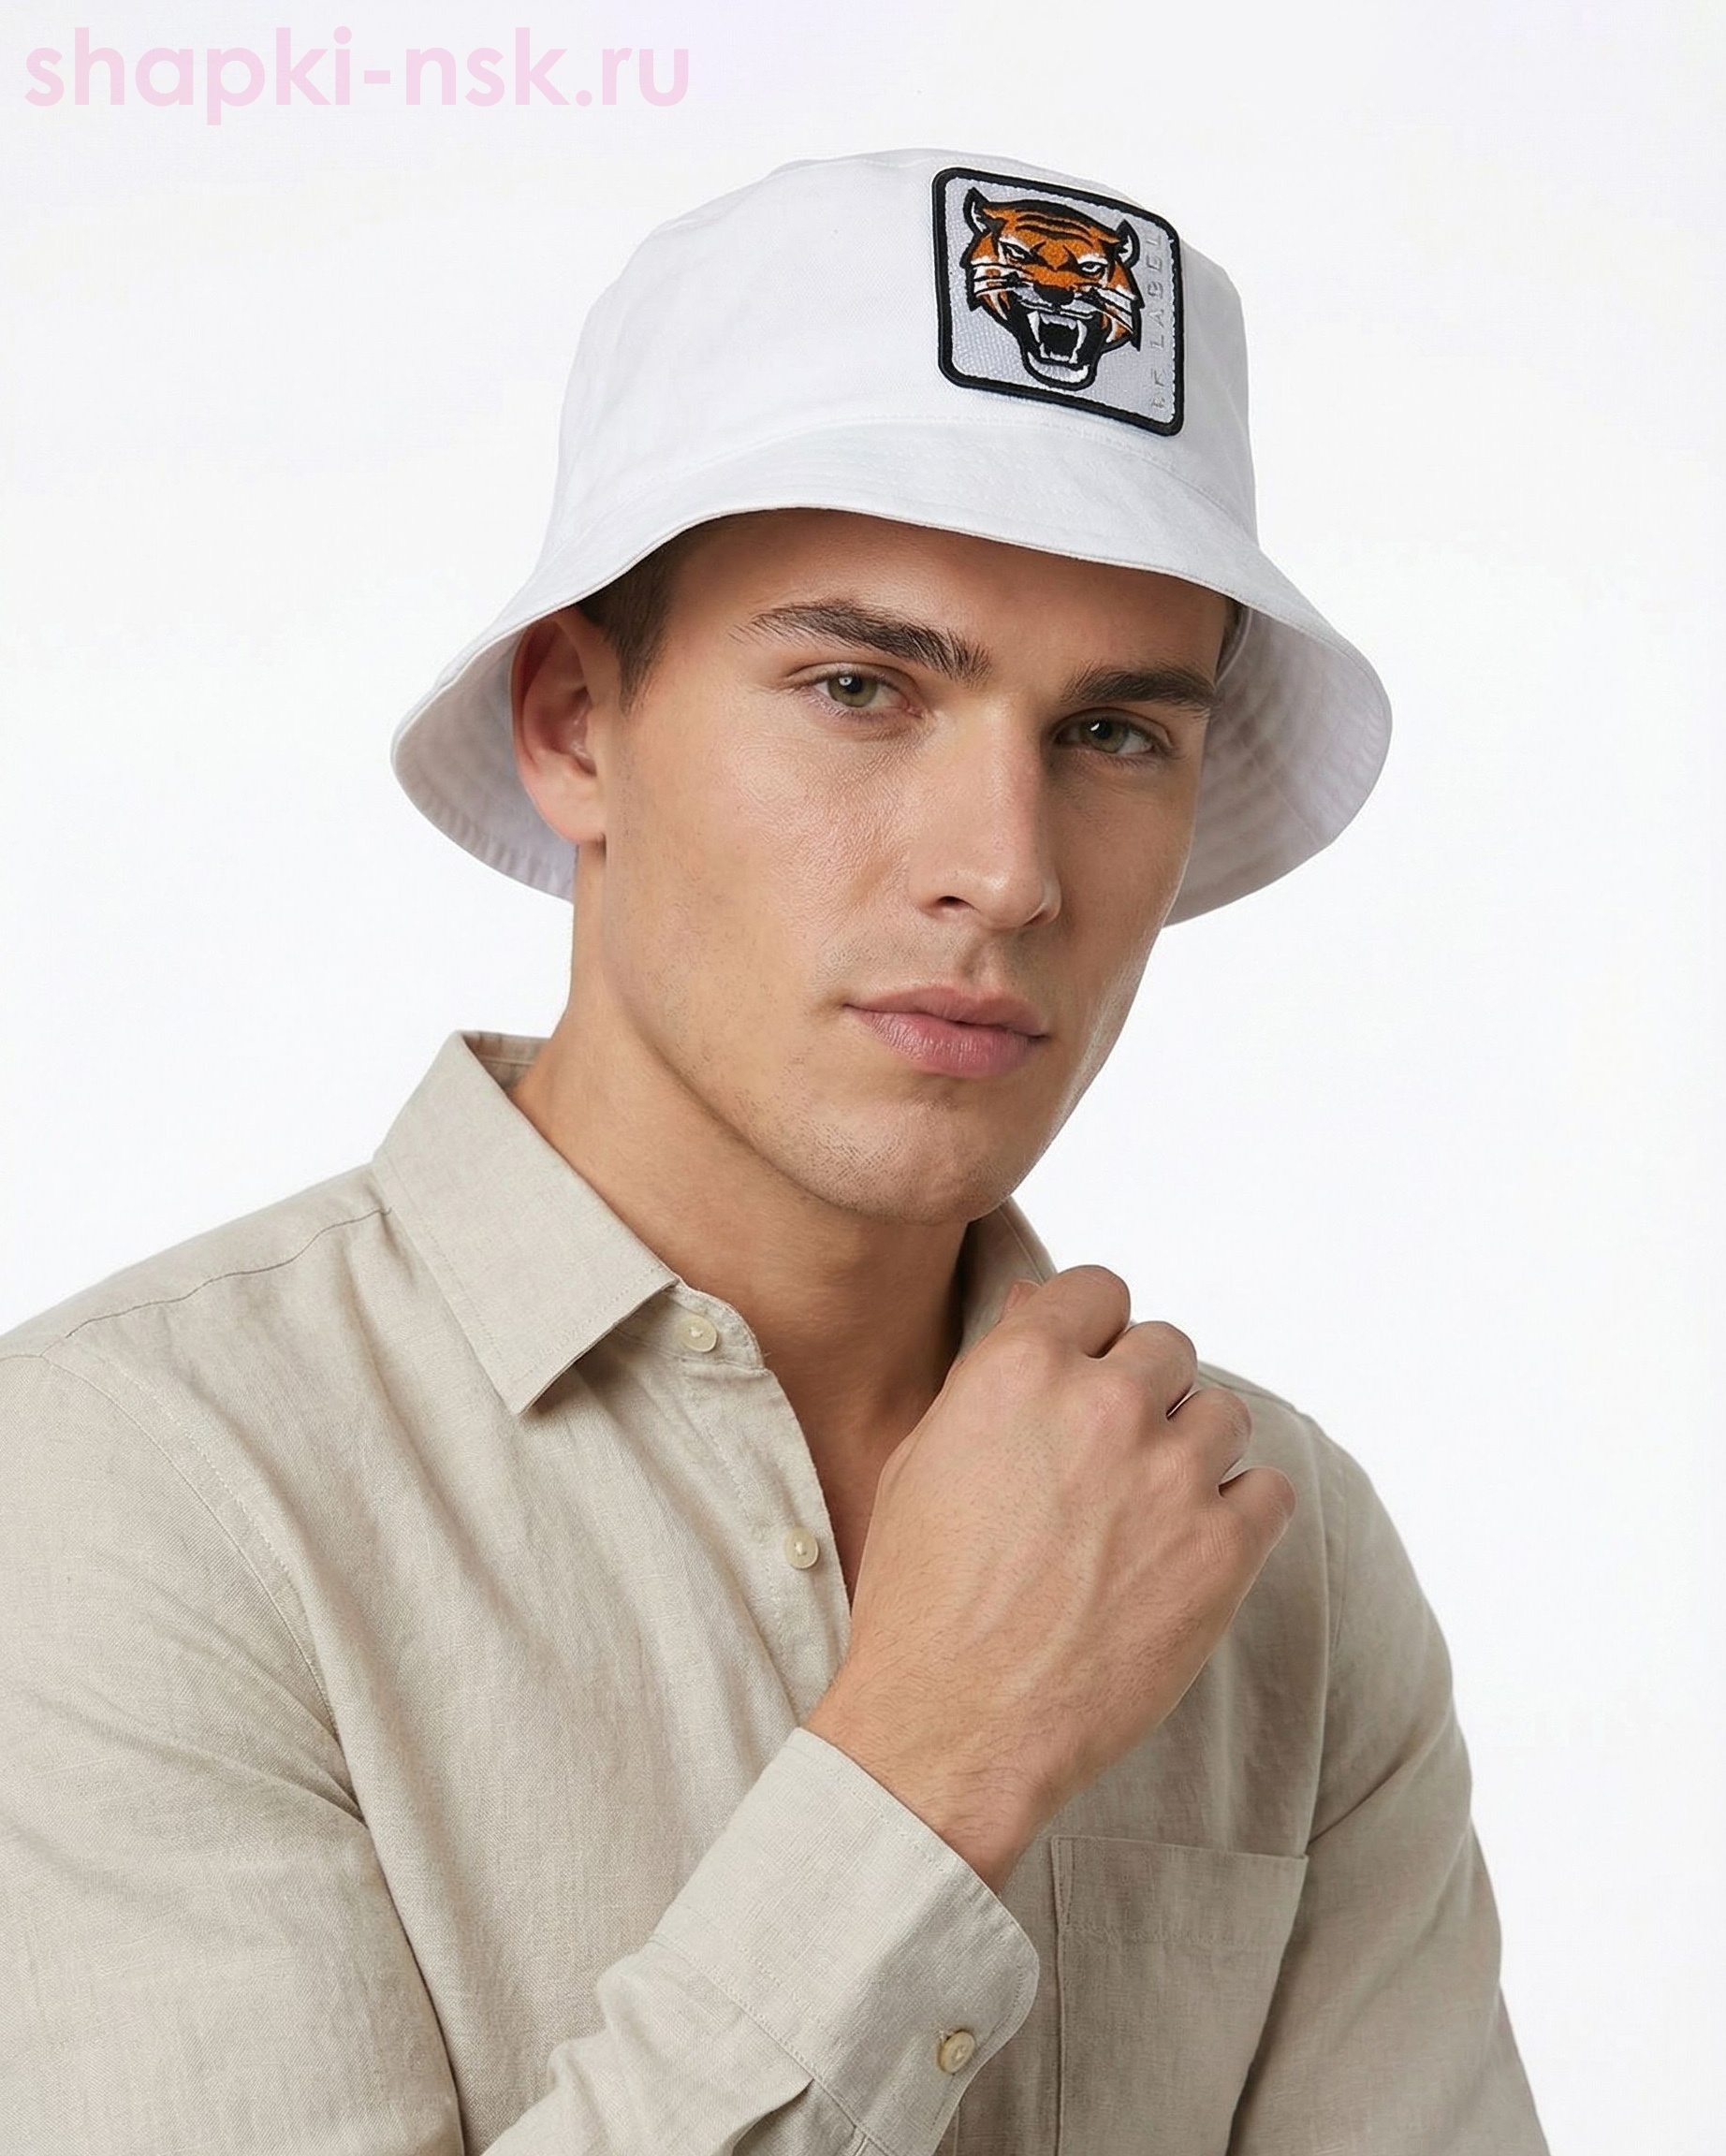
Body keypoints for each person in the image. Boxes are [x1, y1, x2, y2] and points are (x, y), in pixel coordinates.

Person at [0, 148, 1550, 2154]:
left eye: (1113, 734)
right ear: (575, 723)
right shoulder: (132, 1487)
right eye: (858, 688)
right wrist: (934, 1773)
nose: (1004, 871)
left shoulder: (1270, 1546)